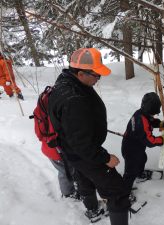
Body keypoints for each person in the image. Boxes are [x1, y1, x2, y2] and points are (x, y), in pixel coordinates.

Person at [48, 48, 130, 225]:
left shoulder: (67, 82)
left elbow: (75, 129)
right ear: (80, 73)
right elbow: (81, 143)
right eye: (96, 75)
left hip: (74, 152)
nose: (98, 79)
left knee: (83, 177)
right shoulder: (73, 99)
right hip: (84, 153)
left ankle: (93, 209)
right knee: (117, 190)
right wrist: (106, 158)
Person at [121, 92, 164, 194]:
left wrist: (160, 124)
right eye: (154, 112)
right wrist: (162, 140)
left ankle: (139, 174)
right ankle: (124, 193)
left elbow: (151, 121)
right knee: (130, 171)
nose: (154, 115)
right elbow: (150, 141)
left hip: (136, 146)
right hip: (130, 149)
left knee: (142, 158)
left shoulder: (141, 113)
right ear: (149, 109)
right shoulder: (141, 121)